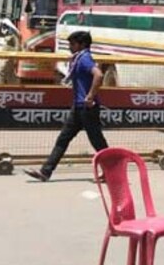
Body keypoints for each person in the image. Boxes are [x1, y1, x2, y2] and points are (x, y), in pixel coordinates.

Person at [25, 31, 109, 182]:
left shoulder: (84, 58)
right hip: (78, 108)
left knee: (97, 141)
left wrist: (90, 95)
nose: (70, 47)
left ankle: (112, 171)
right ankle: (45, 172)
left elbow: (98, 75)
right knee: (63, 139)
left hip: (87, 108)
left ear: (82, 45)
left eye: (73, 44)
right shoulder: (78, 58)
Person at [0, 19, 22, 85]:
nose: (4, 27)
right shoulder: (8, 33)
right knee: (10, 74)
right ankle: (15, 87)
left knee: (0, 72)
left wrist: (15, 58)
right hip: (5, 56)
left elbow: (17, 47)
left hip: (10, 57)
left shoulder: (14, 35)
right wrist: (0, 26)